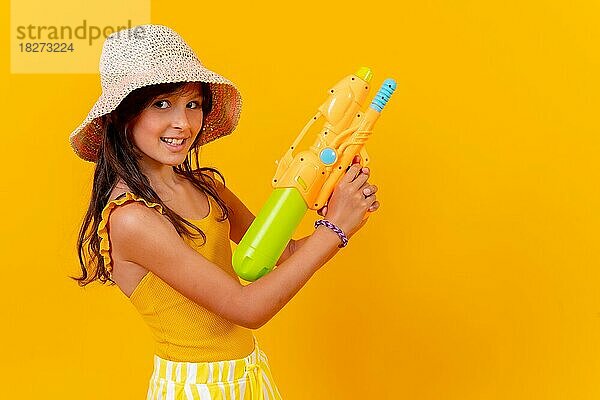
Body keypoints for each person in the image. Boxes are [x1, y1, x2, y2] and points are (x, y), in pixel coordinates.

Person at [70, 24, 380, 400]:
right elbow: (247, 308)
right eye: (161, 104)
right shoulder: (132, 218)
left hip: (250, 375)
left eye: (193, 104)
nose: (182, 123)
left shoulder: (206, 188)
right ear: (122, 115)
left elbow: (287, 256)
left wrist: (341, 206)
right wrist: (333, 231)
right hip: (194, 389)